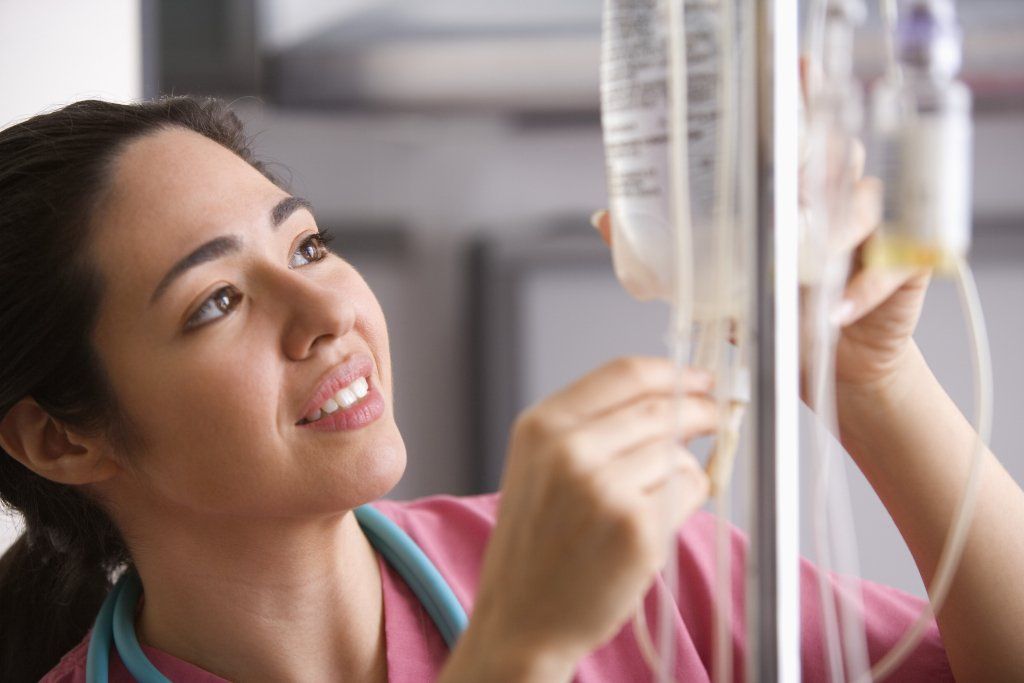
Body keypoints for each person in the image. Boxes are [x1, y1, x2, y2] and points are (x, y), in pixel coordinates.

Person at [0, 96, 1020, 683]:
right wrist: (523, 645)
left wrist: (872, 380)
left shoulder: (644, 570)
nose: (326, 313)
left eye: (307, 242)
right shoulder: (555, 589)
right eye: (217, 300)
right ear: (61, 441)